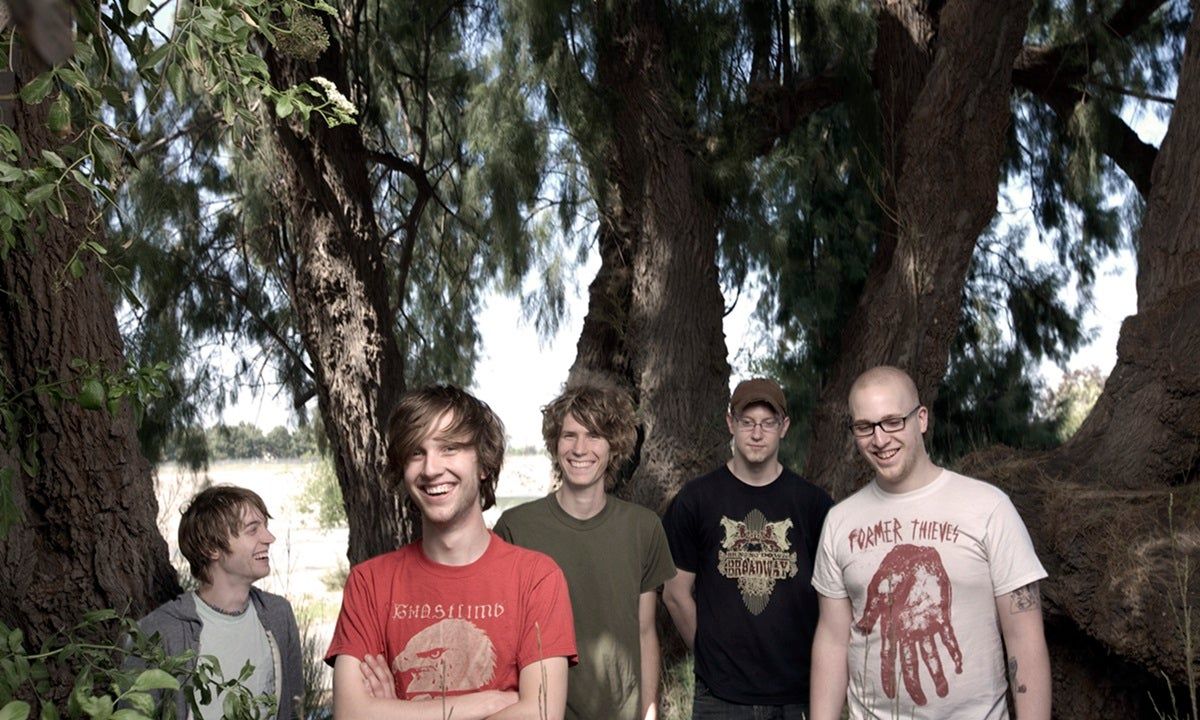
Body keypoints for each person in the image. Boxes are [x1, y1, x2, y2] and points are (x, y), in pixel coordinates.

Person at [809, 365, 1051, 720]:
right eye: (864, 427)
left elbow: (1024, 639)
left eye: (893, 421)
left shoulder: (989, 508)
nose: (879, 439)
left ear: (921, 419)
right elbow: (832, 640)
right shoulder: (839, 522)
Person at [325, 385, 578, 720]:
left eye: (449, 448)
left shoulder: (537, 579)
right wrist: (488, 703)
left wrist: (396, 713)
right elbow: (350, 714)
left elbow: (540, 715)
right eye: (416, 452)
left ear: (483, 463)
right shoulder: (368, 583)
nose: (431, 469)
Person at [494, 383, 676, 720]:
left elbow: (645, 630)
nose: (580, 448)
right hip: (542, 712)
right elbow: (501, 637)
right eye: (569, 435)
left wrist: (649, 712)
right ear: (555, 442)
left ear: (613, 446)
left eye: (594, 435)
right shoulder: (516, 528)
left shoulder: (643, 527)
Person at [662, 377, 834, 718]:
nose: (757, 434)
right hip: (719, 698)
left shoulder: (813, 505)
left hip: (796, 694)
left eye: (768, 423)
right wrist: (711, 658)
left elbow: (833, 601)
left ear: (784, 427)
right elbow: (674, 593)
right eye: (747, 422)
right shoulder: (696, 499)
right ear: (731, 423)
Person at [136, 485, 302, 720]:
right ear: (211, 548)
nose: (269, 538)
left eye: (265, 527)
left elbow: (295, 707)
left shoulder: (278, 614)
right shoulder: (160, 630)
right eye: (253, 530)